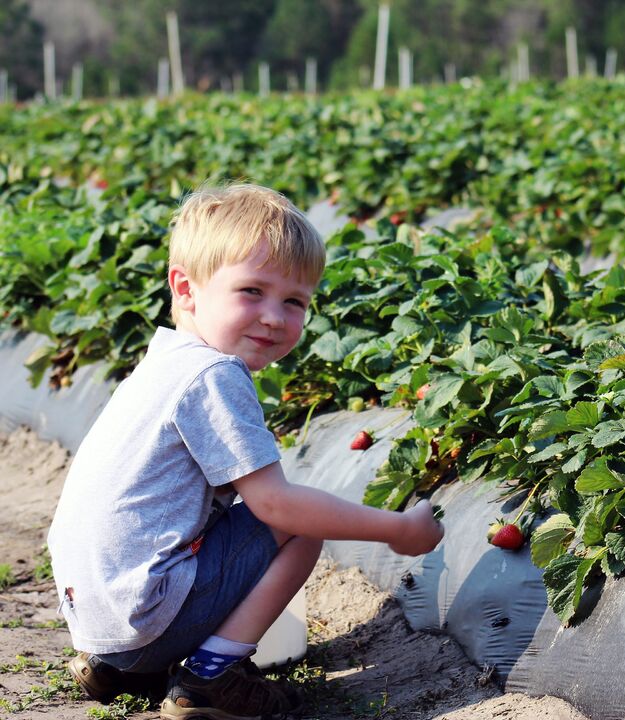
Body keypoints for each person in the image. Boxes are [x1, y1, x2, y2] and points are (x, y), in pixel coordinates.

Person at [47, 183, 444, 719]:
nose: (275, 317)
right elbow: (275, 507)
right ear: (186, 289)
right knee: (300, 526)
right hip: (143, 616)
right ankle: (209, 679)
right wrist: (398, 529)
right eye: (251, 291)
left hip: (95, 619)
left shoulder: (162, 361)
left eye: (294, 301)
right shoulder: (214, 374)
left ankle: (118, 668)